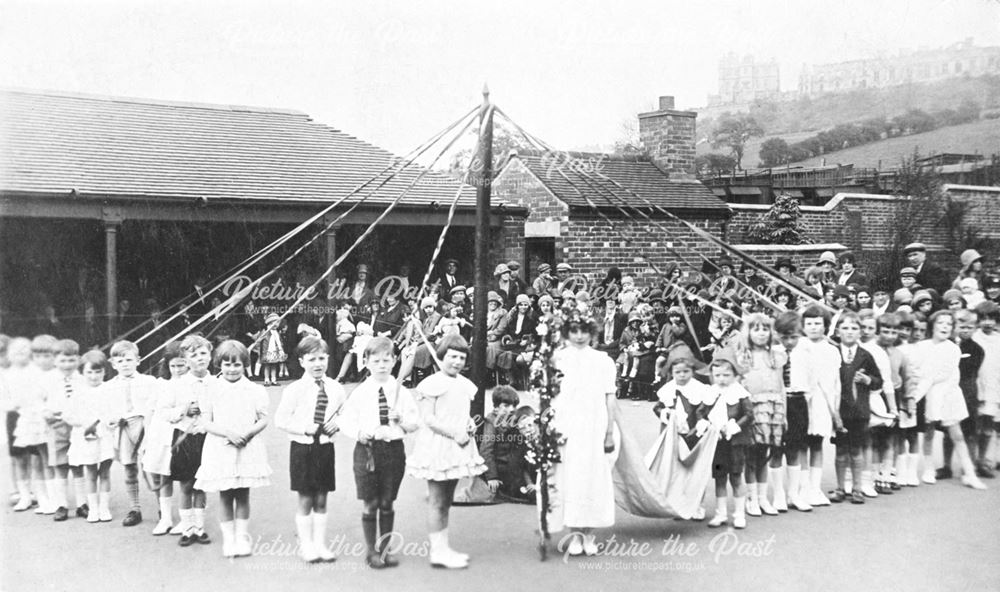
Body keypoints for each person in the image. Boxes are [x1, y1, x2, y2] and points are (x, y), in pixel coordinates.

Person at [338, 336, 420, 569]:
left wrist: (401, 421)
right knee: (370, 502)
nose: (382, 365)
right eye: (376, 360)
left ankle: (385, 549)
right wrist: (359, 432)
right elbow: (346, 421)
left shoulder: (401, 391)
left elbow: (415, 422)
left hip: (393, 451)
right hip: (368, 451)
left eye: (387, 360)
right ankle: (370, 550)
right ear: (366, 362)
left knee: (387, 502)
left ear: (395, 361)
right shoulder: (361, 392)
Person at [407, 334, 486, 569]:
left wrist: (470, 424)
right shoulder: (431, 383)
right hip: (437, 446)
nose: (457, 362)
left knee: (446, 500)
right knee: (437, 500)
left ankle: (443, 548)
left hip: (458, 445)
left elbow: (461, 413)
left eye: (461, 357)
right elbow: (428, 419)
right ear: (441, 357)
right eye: (452, 356)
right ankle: (437, 551)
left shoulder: (464, 384)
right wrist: (454, 433)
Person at [545, 311, 617, 556]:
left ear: (592, 332)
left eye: (584, 330)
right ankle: (574, 533)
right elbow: (550, 396)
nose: (579, 336)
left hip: (594, 426)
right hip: (567, 426)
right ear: (566, 332)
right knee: (571, 477)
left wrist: (608, 432)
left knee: (592, 478)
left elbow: (610, 396)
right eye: (573, 330)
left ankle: (590, 534)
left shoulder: (603, 360)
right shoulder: (556, 359)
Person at [194, 340, 272, 558]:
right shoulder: (211, 389)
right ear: (219, 364)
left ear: (245, 365)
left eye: (237, 365)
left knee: (243, 494)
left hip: (247, 446)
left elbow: (263, 418)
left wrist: (247, 433)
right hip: (221, 447)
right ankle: (229, 540)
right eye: (227, 364)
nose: (231, 369)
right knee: (226, 495)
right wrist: (228, 433)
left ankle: (241, 537)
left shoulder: (254, 389)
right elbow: (206, 422)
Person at [275, 336, 347, 563]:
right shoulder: (294, 390)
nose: (318, 364)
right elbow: (281, 419)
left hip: (325, 448)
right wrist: (305, 428)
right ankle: (306, 546)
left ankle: (320, 544)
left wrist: (339, 424)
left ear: (328, 359)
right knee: (306, 497)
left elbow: (345, 413)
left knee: (322, 498)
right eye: (312, 359)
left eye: (322, 358)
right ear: (301, 361)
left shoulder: (335, 388)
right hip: (302, 448)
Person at [914, 311, 986, 489]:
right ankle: (929, 469)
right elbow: (918, 371)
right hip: (928, 394)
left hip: (948, 394)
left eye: (948, 324)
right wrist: (916, 395)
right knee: (929, 432)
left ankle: (969, 473)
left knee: (958, 435)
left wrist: (921, 390)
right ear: (933, 325)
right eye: (941, 323)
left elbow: (942, 375)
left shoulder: (953, 349)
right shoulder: (922, 346)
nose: (945, 327)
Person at [727, 314, 786, 518]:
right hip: (752, 408)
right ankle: (751, 498)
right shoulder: (743, 356)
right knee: (751, 455)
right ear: (748, 333)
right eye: (756, 329)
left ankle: (763, 498)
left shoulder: (775, 356)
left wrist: (783, 412)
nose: (761, 333)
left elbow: (781, 385)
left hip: (773, 406)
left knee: (765, 453)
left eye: (765, 329)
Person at [162, 335, 215, 547]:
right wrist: (183, 410)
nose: (199, 358)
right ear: (185, 358)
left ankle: (199, 527)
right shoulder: (176, 385)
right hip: (184, 439)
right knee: (186, 485)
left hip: (208, 438)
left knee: (200, 484)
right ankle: (187, 528)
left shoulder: (216, 383)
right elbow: (163, 412)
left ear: (210, 356)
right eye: (193, 355)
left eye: (203, 353)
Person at [827, 313, 882, 504]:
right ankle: (841, 487)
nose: (849, 332)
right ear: (837, 331)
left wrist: (868, 380)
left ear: (860, 332)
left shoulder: (866, 356)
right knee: (841, 450)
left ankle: (857, 488)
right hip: (840, 410)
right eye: (845, 328)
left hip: (859, 411)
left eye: (854, 328)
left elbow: (878, 381)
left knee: (857, 450)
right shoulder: (832, 353)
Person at [104, 340, 159, 527]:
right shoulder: (109, 386)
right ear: (113, 364)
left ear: (138, 360)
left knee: (152, 468)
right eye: (120, 361)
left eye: (129, 359)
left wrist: (149, 427)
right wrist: (111, 420)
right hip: (123, 427)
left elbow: (155, 407)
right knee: (129, 468)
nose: (125, 364)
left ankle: (162, 507)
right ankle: (135, 508)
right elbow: (106, 412)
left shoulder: (150, 382)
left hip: (144, 425)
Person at [791, 305, 842, 508]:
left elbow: (833, 381)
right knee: (802, 443)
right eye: (809, 324)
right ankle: (802, 488)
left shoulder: (831, 350)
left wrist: (834, 408)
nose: (813, 327)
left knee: (817, 443)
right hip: (802, 399)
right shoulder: (798, 346)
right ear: (803, 326)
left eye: (818, 324)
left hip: (822, 400)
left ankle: (814, 487)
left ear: (825, 326)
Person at [653, 357, 712, 519]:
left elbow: (704, 410)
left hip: (693, 435)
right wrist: (665, 413)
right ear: (671, 373)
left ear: (692, 372)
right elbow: (658, 408)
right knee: (677, 471)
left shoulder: (699, 389)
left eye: (686, 372)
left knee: (695, 469)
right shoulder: (667, 389)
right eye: (677, 372)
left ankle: (698, 504)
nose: (682, 375)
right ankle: (679, 505)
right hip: (674, 436)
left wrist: (700, 425)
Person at [703, 353, 753, 529]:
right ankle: (720, 513)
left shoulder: (739, 393)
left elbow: (749, 414)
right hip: (717, 442)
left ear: (735, 375)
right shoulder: (711, 392)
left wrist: (734, 426)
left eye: (726, 375)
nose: (722, 379)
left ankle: (739, 514)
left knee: (736, 476)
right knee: (720, 478)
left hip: (735, 442)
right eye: (717, 375)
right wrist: (705, 423)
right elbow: (702, 411)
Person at [143, 341, 187, 535]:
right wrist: (146, 438)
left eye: (181, 365)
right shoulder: (160, 384)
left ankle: (188, 519)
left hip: (183, 434)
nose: (177, 370)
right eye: (173, 366)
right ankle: (166, 518)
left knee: (187, 478)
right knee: (163, 475)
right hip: (160, 433)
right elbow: (150, 411)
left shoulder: (191, 383)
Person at [65, 350, 114, 522]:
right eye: (89, 372)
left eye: (98, 371)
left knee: (105, 472)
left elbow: (115, 412)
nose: (94, 376)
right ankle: (93, 508)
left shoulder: (109, 389)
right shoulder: (78, 392)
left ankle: (104, 508)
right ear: (82, 373)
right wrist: (84, 424)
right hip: (86, 437)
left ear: (104, 371)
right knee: (91, 473)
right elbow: (68, 415)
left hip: (105, 436)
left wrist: (110, 421)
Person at [936, 309, 984, 481]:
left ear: (975, 328)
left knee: (969, 431)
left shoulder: (977, 349)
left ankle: (968, 467)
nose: (965, 330)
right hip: (949, 391)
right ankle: (946, 466)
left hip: (967, 391)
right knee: (949, 430)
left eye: (969, 327)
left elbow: (969, 369)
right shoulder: (947, 344)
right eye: (961, 326)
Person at [8, 336, 54, 513]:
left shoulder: (48, 373)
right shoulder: (20, 373)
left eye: (46, 356)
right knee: (29, 458)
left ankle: (50, 499)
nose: (41, 360)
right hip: (27, 419)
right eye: (37, 356)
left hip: (46, 419)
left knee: (46, 460)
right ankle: (34, 498)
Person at [41, 339, 83, 521]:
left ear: (78, 360)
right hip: (56, 425)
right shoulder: (48, 381)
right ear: (55, 361)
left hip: (76, 426)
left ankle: (83, 504)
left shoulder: (82, 380)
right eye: (63, 361)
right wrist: (46, 413)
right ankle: (61, 505)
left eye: (71, 360)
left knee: (78, 465)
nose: (67, 365)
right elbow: (39, 402)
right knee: (60, 466)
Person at [972, 301, 1000, 478]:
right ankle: (975, 460)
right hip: (977, 387)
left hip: (994, 387)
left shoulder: (998, 340)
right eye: (984, 318)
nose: (988, 322)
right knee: (976, 427)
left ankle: (985, 461)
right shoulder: (974, 338)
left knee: (990, 426)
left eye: (991, 318)